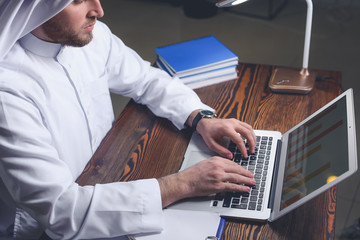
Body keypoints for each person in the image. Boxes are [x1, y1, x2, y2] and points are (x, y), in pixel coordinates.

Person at [0, 0, 256, 239]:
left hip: (111, 177)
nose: (98, 10)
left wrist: (200, 117)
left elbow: (144, 78)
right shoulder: (7, 93)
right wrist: (184, 184)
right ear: (34, 8)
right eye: (78, 0)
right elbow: (61, 211)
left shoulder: (91, 34)